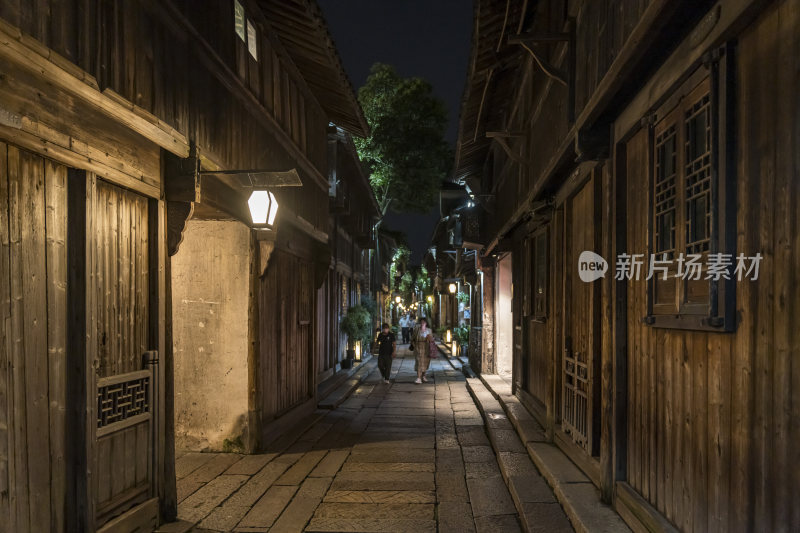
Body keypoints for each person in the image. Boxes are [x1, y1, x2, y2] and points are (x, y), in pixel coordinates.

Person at [411, 317, 433, 384]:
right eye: (421, 322)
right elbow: (412, 339)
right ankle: (418, 378)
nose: (422, 323)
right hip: (418, 347)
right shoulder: (417, 330)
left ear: (426, 323)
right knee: (419, 362)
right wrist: (415, 346)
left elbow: (431, 340)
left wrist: (429, 338)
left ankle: (423, 376)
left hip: (426, 348)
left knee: (425, 363)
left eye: (424, 322)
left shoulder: (429, 330)